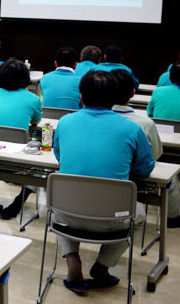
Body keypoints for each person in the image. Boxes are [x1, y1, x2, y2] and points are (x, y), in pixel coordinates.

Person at [53, 70, 154, 292]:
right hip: (112, 222)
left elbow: (59, 156)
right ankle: (101, 267)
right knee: (139, 214)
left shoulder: (64, 122)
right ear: (118, 98)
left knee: (59, 208)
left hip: (66, 214)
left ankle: (72, 260)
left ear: (81, 96)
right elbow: (146, 168)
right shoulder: (133, 129)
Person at [111, 69, 180, 227]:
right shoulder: (144, 125)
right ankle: (173, 218)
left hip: (87, 198)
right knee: (170, 177)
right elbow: (155, 156)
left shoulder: (79, 121)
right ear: (133, 93)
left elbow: (151, 111)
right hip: (131, 184)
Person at [0, 59, 42, 218]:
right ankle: (19, 200)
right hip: (16, 160)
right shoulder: (32, 99)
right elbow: (35, 121)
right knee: (40, 165)